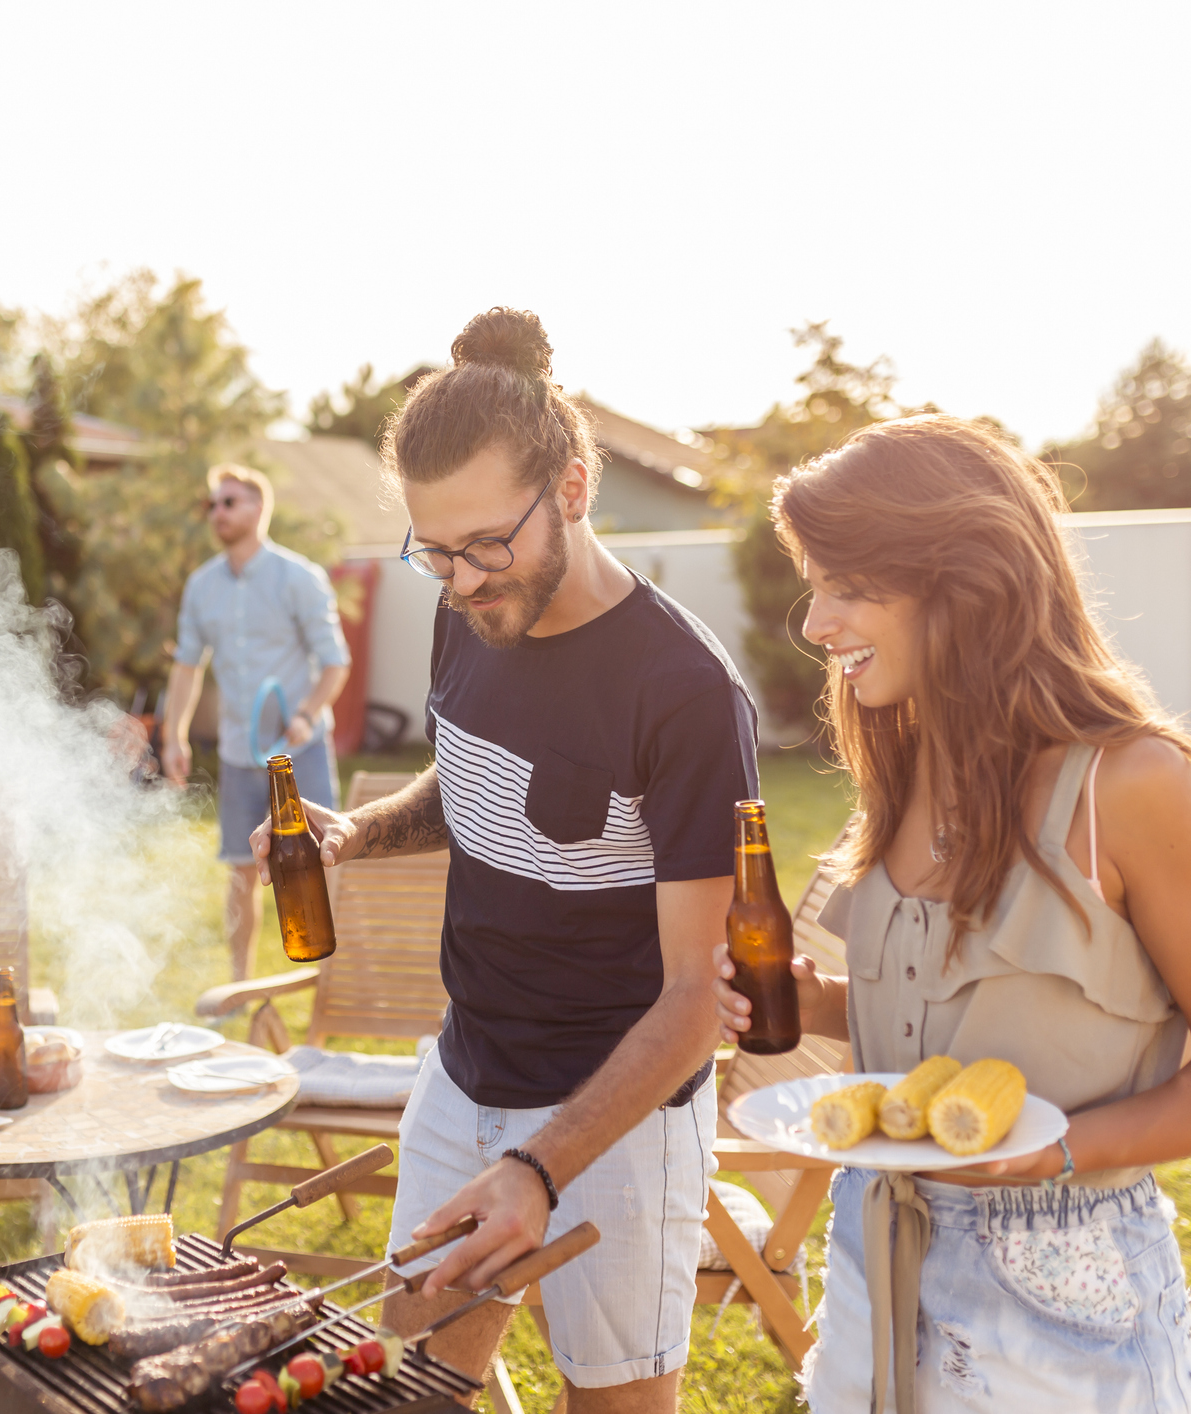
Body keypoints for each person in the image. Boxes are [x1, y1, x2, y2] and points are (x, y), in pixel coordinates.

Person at [712, 414, 1191, 1412]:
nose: (814, 623)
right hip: (876, 1250)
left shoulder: (1135, 785)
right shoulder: (907, 762)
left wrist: (1061, 1149)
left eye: (846, 586)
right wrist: (818, 1005)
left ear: (962, 584)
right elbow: (958, 1017)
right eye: (816, 585)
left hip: (1062, 1294)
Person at [256, 309, 758, 1412]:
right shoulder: (466, 610)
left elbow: (694, 1000)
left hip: (616, 1115)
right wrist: (356, 834)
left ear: (573, 487)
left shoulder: (682, 693)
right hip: (462, 1073)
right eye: (436, 551)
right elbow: (476, 779)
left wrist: (540, 1168)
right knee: (408, 1391)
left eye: (490, 543)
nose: (467, 579)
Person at [163, 463, 352, 979]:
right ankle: (239, 984)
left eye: (230, 502)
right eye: (213, 504)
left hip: (299, 751)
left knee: (323, 862)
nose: (217, 512)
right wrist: (174, 734)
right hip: (238, 754)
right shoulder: (201, 586)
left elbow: (335, 661)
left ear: (258, 508)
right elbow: (186, 665)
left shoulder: (299, 578)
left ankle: (329, 983)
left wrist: (307, 714)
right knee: (241, 872)